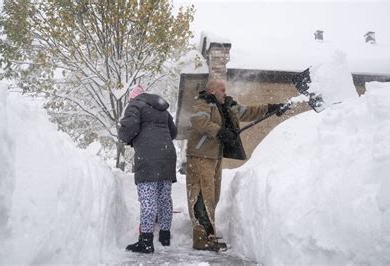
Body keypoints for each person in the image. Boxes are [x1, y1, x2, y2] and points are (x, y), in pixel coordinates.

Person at [186, 79, 289, 251]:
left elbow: (248, 112)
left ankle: (209, 235)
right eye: (222, 89)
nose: (225, 92)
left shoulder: (228, 105)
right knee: (201, 194)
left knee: (213, 196)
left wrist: (271, 108)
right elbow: (199, 122)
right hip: (200, 155)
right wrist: (219, 131)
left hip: (214, 156)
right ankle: (200, 238)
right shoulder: (203, 103)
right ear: (212, 91)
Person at [119, 84, 178, 254]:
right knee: (164, 197)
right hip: (167, 156)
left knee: (148, 199)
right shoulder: (163, 109)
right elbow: (173, 132)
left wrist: (125, 136)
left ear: (133, 97)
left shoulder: (135, 105)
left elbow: (128, 130)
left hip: (148, 156)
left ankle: (145, 242)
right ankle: (165, 235)